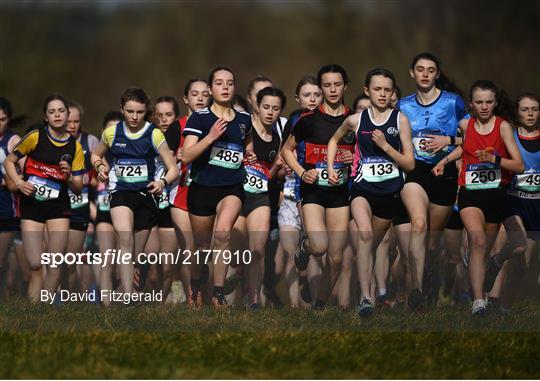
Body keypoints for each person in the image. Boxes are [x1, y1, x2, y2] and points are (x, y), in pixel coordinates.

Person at [432, 80, 525, 316]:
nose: (484, 107)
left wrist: (494, 159)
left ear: (495, 103)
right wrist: (445, 160)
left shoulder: (503, 127)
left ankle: (495, 263)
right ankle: (478, 303)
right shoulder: (466, 124)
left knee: (512, 245)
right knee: (478, 242)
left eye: (488, 102)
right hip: (470, 194)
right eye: (479, 102)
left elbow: (519, 165)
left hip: (496, 195)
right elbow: (467, 146)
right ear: (472, 104)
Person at [327, 68, 414, 317]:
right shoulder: (356, 120)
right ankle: (366, 298)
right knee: (364, 236)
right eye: (377, 89)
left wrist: (385, 146)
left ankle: (377, 290)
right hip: (362, 189)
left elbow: (409, 163)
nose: (383, 94)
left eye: (388, 89)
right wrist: (333, 167)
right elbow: (334, 140)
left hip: (389, 194)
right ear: (367, 90)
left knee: (375, 246)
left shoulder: (400, 120)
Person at [91, 87, 178, 303]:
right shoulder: (112, 133)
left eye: (139, 112)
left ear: (145, 111)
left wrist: (162, 182)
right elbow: (95, 154)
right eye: (130, 111)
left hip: (146, 197)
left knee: (135, 255)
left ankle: (121, 291)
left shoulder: (154, 134)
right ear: (122, 109)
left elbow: (173, 168)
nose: (134, 117)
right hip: (120, 193)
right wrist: (100, 166)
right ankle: (130, 298)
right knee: (126, 239)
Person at [398, 52, 468, 308]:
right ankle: (415, 291)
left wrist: (448, 142)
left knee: (432, 242)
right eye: (420, 69)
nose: (425, 74)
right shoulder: (403, 106)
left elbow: (475, 140)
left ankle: (430, 282)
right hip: (415, 173)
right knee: (418, 224)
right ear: (412, 73)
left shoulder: (453, 103)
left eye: (430, 70)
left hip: (444, 173)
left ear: (437, 74)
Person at [281, 64, 354, 309]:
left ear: (345, 86)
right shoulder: (308, 120)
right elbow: (286, 151)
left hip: (340, 191)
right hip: (312, 190)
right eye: (327, 85)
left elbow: (365, 154)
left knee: (335, 258)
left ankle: (320, 307)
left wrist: (352, 158)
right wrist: (303, 172)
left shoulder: (354, 120)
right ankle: (305, 246)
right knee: (320, 247)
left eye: (337, 84)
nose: (333, 90)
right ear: (321, 88)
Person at [181, 67, 255, 308]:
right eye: (220, 83)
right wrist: (211, 137)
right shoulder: (199, 118)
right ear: (211, 89)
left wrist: (250, 154)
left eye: (230, 83)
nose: (225, 87)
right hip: (202, 188)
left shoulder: (245, 119)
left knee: (223, 233)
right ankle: (196, 284)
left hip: (232, 187)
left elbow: (247, 145)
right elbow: (187, 156)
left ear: (234, 88)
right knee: (201, 246)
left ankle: (218, 293)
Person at [4, 94, 85, 301]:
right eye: (52, 112)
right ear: (45, 117)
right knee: (34, 263)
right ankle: (37, 302)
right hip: (32, 204)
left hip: (58, 206)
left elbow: (77, 188)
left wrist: (67, 177)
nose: (57, 115)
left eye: (61, 111)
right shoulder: (35, 136)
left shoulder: (74, 147)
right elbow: (10, 162)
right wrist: (20, 183)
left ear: (67, 115)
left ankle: (45, 308)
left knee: (56, 260)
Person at [233, 86, 285, 308]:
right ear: (257, 106)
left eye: (275, 108)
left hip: (260, 198)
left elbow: (269, 176)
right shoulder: (243, 128)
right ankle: (226, 291)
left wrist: (278, 169)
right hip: (236, 195)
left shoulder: (277, 138)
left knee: (257, 250)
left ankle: (253, 302)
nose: (270, 112)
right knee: (235, 256)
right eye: (266, 107)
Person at [489, 92, 540, 310]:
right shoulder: (509, 136)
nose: (530, 114)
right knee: (516, 247)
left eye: (534, 109)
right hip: (513, 202)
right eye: (525, 109)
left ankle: (505, 311)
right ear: (517, 113)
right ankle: (492, 292)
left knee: (522, 266)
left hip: (536, 206)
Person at [276, 76, 322, 307]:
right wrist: (287, 163)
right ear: (297, 98)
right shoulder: (293, 120)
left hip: (320, 189)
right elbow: (284, 150)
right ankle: (294, 306)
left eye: (316, 94)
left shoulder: (330, 119)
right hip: (295, 188)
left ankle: (315, 303)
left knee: (314, 245)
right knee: (292, 250)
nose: (312, 99)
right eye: (307, 95)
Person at [166, 79, 211, 302]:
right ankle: (193, 298)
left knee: (206, 249)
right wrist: (176, 157)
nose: (200, 98)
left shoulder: (216, 124)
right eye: (195, 94)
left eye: (205, 94)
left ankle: (209, 293)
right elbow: (162, 161)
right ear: (186, 98)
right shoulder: (177, 127)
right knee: (189, 247)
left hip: (209, 193)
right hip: (181, 194)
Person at [140, 96, 182, 296]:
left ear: (176, 117)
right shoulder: (144, 138)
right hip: (147, 203)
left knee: (166, 267)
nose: (164, 120)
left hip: (170, 203)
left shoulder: (186, 139)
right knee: (150, 257)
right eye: (159, 115)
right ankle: (146, 298)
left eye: (169, 115)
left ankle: (159, 306)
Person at [65, 100, 99, 293]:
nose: (72, 125)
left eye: (76, 121)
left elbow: (99, 176)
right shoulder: (53, 142)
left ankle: (80, 297)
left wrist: (85, 178)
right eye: (69, 121)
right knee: (56, 257)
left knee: (77, 257)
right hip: (56, 205)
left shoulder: (90, 141)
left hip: (83, 206)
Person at [0, 97, 24, 293]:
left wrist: (10, 181)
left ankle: (7, 298)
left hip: (6, 209)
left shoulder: (13, 141)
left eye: (2, 119)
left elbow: (25, 176)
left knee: (2, 260)